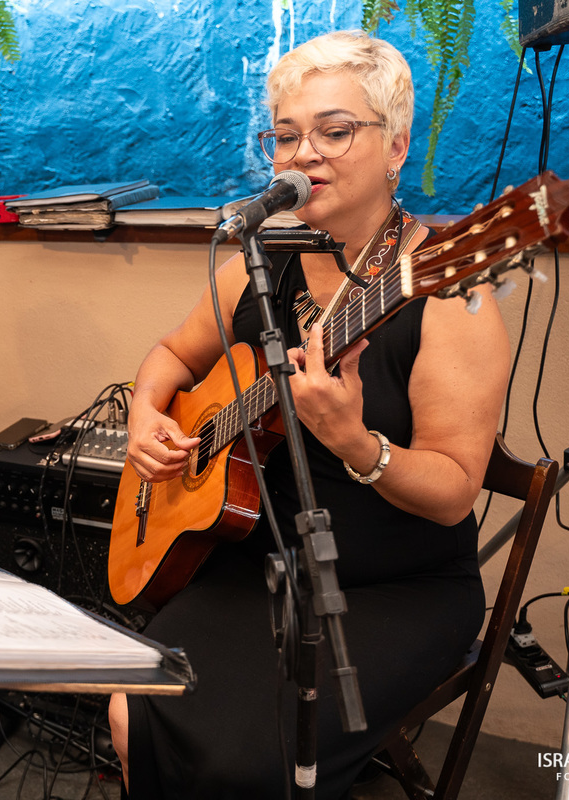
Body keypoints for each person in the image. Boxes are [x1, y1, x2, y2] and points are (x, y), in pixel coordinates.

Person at [107, 30, 510, 798]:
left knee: (249, 766)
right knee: (134, 704)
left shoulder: (450, 291)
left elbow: (457, 490)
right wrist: (146, 416)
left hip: (400, 586)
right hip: (265, 565)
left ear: (395, 148)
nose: (303, 155)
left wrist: (355, 442)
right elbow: (170, 354)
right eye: (287, 136)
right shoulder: (262, 264)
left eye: (334, 130)